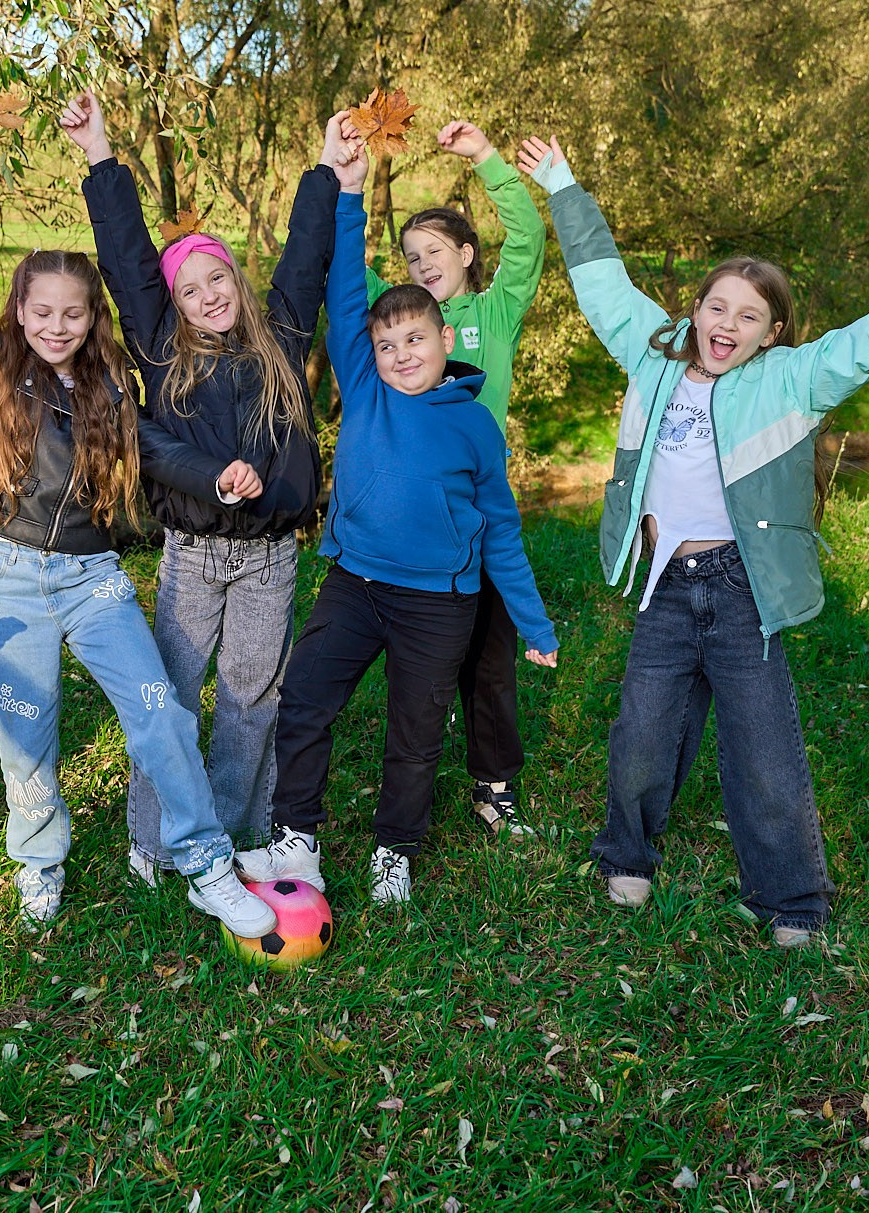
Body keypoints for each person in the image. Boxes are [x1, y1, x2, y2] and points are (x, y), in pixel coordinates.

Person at [514, 133, 869, 947]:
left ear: (772, 333)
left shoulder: (796, 379)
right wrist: (560, 182)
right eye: (716, 306)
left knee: (765, 757)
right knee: (639, 737)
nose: (727, 323)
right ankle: (627, 853)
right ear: (694, 311)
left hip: (742, 591)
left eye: (749, 316)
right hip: (666, 582)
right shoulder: (651, 352)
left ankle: (792, 901)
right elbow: (598, 274)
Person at [0, 107, 275, 937]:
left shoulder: (111, 382)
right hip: (8, 583)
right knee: (29, 739)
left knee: (161, 714)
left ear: (92, 319)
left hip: (94, 582)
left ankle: (205, 862)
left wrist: (215, 477)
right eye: (41, 311)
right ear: (20, 315)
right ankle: (40, 862)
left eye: (73, 314)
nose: (56, 325)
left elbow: (159, 448)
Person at [238, 146, 559, 905]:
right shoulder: (368, 386)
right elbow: (347, 295)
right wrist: (348, 192)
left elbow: (503, 533)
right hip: (355, 582)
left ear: (447, 341)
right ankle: (298, 838)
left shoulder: (475, 428)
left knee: (414, 735)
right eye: (386, 345)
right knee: (307, 698)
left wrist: (533, 620)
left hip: (437, 603)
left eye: (416, 340)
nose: (400, 353)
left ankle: (395, 848)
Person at [61, 93, 355, 884]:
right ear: (175, 304)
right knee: (173, 699)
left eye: (215, 277)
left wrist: (328, 168)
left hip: (268, 560)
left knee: (253, 701)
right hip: (192, 556)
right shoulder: (160, 346)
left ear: (234, 276)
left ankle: (225, 836)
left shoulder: (283, 334)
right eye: (189, 289)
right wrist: (98, 154)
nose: (207, 295)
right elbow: (124, 258)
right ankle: (157, 839)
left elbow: (305, 254)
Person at [366, 120, 547, 835]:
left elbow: (529, 238)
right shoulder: (409, 325)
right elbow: (350, 274)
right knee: (422, 658)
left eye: (433, 252)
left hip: (483, 511)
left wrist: (487, 159)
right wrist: (349, 180)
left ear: (467, 254)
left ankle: (492, 782)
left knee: (490, 659)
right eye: (410, 257)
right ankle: (409, 771)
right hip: (415, 517)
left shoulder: (495, 312)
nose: (420, 265)